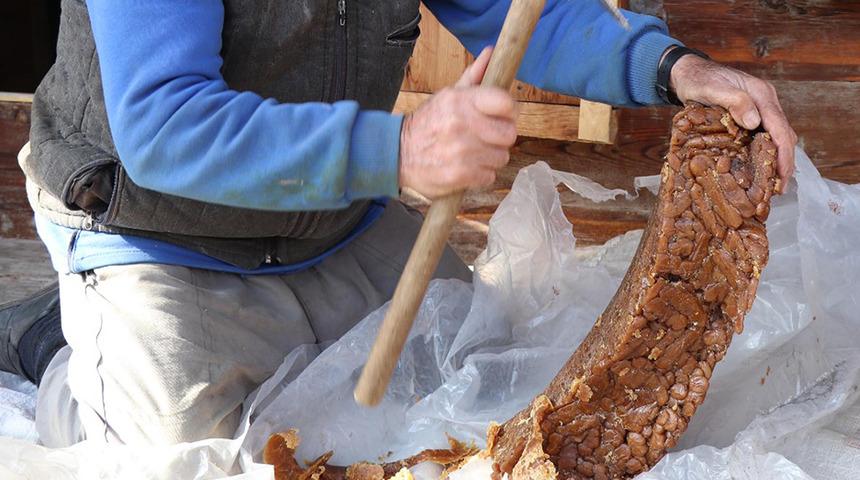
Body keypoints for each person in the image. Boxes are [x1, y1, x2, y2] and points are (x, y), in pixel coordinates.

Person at [1, 0, 796, 448]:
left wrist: (673, 68)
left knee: (483, 391)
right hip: (157, 227)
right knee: (196, 461)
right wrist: (404, 149)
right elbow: (166, 125)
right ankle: (66, 356)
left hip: (332, 216)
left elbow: (514, 12)